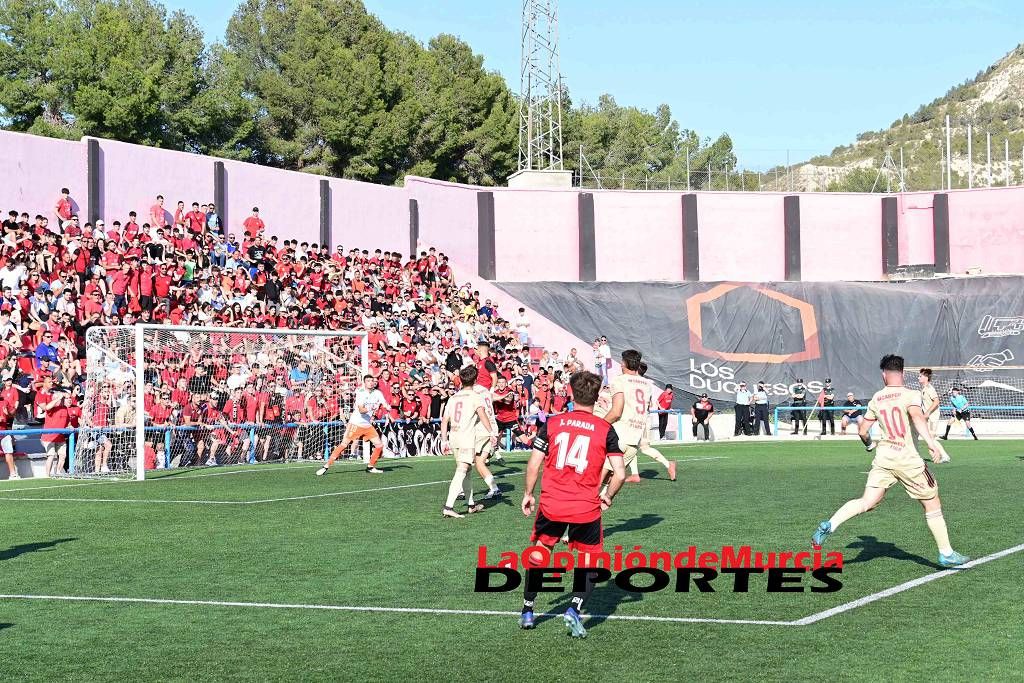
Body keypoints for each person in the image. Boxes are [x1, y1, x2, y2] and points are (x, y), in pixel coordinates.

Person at [811, 354, 969, 568]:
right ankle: (946, 553)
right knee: (932, 503)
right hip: (908, 459)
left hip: (884, 457)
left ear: (883, 374)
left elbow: (863, 430)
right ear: (902, 373)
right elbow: (916, 416)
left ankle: (830, 524)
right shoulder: (911, 394)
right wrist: (931, 442)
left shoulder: (877, 397)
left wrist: (868, 444)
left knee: (867, 502)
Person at [518, 370, 625, 636]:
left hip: (552, 504)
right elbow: (620, 473)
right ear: (597, 396)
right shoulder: (605, 429)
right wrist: (608, 495)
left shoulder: (553, 423)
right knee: (588, 563)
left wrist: (528, 493)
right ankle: (574, 609)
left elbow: (534, 463)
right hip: (585, 508)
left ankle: (528, 611)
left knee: (540, 553)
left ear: (570, 392)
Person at [439, 365, 495, 518]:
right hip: (465, 437)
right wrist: (491, 432)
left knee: (467, 470)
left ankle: (471, 504)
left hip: (453, 437)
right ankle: (448, 506)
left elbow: (444, 421)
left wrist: (444, 441)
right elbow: (483, 415)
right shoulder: (475, 396)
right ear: (475, 380)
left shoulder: (453, 397)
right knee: (462, 470)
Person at [316, 375, 387, 475]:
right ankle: (326, 466)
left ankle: (370, 467)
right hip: (356, 424)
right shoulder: (360, 393)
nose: (371, 382)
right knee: (344, 444)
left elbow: (384, 403)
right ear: (364, 383)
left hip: (367, 425)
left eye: (372, 381)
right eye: (368, 381)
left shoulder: (377, 393)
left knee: (379, 445)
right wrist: (373, 407)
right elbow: (362, 411)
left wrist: (387, 408)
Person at [599, 349, 647, 492]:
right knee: (608, 486)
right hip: (634, 440)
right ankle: (605, 500)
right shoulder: (647, 384)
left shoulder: (619, 380)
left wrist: (599, 426)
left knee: (596, 481)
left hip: (618, 437)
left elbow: (616, 412)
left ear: (624, 363)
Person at [636, 362, 675, 480]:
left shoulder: (627, 381)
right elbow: (653, 402)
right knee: (643, 447)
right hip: (645, 417)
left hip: (635, 418)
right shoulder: (647, 385)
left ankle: (611, 474)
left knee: (626, 446)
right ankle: (668, 464)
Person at [918, 368, 940, 438]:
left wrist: (927, 412)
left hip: (932, 416)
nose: (918, 378)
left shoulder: (930, 388)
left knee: (931, 439)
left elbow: (936, 401)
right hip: (927, 416)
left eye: (920, 376)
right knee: (928, 438)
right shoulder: (924, 388)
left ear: (926, 378)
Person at [0, 396, 18, 479]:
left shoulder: (5, 402)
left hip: (4, 431)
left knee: (9, 452)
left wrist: (8, 414)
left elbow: (13, 413)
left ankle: (13, 474)